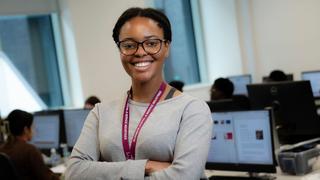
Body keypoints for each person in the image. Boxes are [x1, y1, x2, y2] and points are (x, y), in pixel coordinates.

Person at [65, 7, 213, 180]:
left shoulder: (192, 110)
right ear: (120, 50)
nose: (140, 52)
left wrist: (104, 172)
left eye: (151, 43)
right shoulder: (100, 113)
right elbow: (74, 172)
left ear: (166, 47)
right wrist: (146, 166)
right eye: (129, 45)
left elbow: (184, 176)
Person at [0, 109, 59, 180]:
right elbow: (47, 178)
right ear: (26, 130)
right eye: (32, 127)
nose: (34, 130)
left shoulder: (2, 149)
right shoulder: (30, 151)